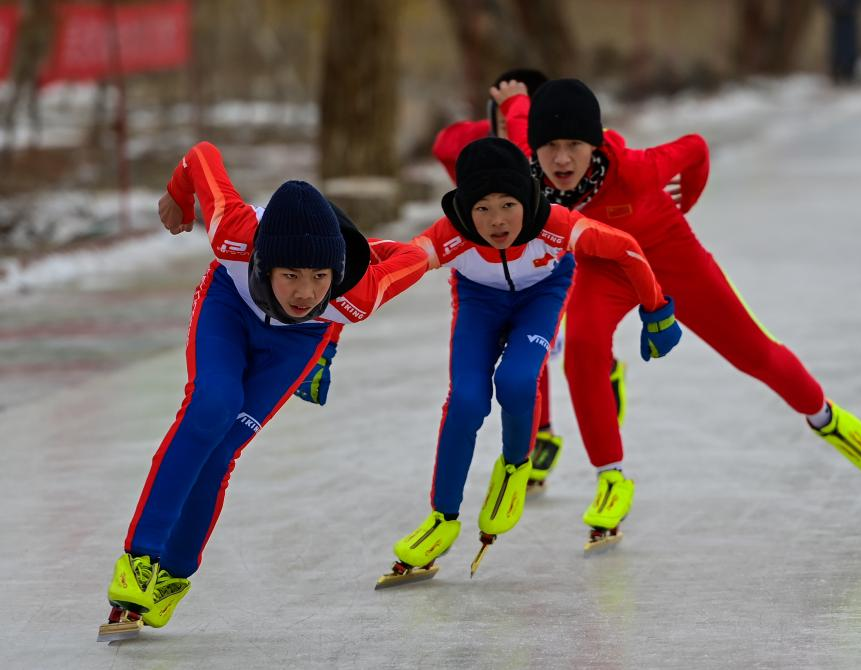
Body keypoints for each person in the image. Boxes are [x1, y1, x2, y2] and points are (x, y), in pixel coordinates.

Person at [492, 78, 861, 542]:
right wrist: (513, 98)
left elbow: (695, 147)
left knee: (752, 352)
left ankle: (823, 416)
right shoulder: (528, 168)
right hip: (606, 269)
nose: (563, 159)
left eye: (575, 145)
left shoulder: (636, 169)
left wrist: (682, 202)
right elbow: (519, 119)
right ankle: (611, 478)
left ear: (593, 142)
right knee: (583, 349)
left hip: (669, 258)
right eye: (551, 147)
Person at [100, 141, 428, 638]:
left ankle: (174, 574)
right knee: (213, 406)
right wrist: (176, 194)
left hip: (298, 344)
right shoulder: (234, 232)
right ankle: (140, 559)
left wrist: (359, 251)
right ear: (264, 264)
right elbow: (201, 155)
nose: (304, 292)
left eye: (320, 277)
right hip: (230, 309)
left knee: (225, 445)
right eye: (290, 275)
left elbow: (413, 256)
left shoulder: (355, 296)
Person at [377, 137, 681, 585]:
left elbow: (627, 248)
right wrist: (331, 319)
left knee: (518, 381)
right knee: (465, 401)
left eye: (507, 204)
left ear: (528, 199)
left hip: (541, 297)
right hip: (479, 303)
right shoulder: (450, 233)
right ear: (464, 208)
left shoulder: (557, 224)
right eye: (482, 208)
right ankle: (443, 518)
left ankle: (515, 467)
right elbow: (391, 272)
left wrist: (656, 309)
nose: (496, 221)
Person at [430, 68, 628, 492]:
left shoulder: (550, 155)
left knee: (555, 339)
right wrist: (492, 124)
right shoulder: (487, 149)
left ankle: (587, 385)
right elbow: (445, 144)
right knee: (527, 352)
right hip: (501, 264)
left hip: (566, 255)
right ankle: (541, 431)